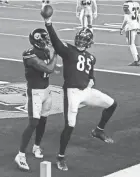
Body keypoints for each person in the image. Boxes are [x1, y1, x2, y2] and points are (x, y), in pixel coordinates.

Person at [42, 14, 117, 171]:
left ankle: (98, 131)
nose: (81, 41)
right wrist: (48, 23)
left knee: (112, 104)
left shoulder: (91, 57)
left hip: (86, 91)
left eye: (84, 39)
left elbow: (91, 75)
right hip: (72, 93)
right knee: (70, 125)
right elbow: (55, 41)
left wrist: (92, 80)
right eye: (80, 38)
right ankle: (61, 157)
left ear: (89, 42)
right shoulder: (68, 51)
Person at [15, 28, 57, 170]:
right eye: (44, 39)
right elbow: (49, 68)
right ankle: (20, 155)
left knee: (43, 120)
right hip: (35, 92)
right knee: (33, 122)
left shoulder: (44, 51)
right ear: (37, 41)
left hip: (46, 90)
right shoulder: (29, 55)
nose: (47, 41)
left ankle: (36, 146)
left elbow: (52, 68)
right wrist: (55, 53)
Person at [120, 0, 140, 66]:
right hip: (136, 25)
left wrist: (122, 27)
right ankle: (137, 57)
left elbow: (126, 18)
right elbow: (138, 15)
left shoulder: (127, 4)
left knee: (131, 44)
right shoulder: (136, 4)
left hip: (130, 27)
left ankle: (136, 60)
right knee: (132, 43)